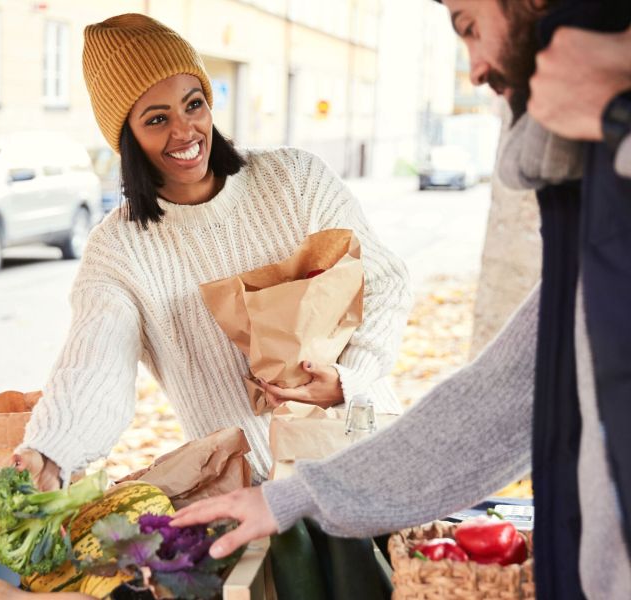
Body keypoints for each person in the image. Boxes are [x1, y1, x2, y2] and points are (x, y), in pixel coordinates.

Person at [172, 2, 631, 598]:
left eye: (470, 26)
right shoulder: (593, 182)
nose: (475, 69)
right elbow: (506, 394)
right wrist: (294, 497)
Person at [12, 14, 411, 497]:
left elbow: (384, 281)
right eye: (157, 119)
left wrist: (351, 379)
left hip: (369, 456)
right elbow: (94, 363)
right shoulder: (120, 251)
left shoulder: (294, 179)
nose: (185, 131)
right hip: (254, 498)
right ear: (126, 137)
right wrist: (51, 451)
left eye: (193, 104)